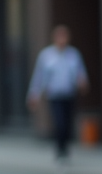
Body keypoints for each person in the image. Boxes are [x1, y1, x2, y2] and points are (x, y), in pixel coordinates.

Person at [28, 25, 89, 164]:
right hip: (55, 95)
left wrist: (83, 82)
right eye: (59, 36)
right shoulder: (47, 55)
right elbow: (39, 76)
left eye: (64, 36)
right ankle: (59, 151)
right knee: (59, 123)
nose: (62, 40)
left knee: (67, 124)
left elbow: (80, 72)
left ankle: (65, 149)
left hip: (69, 94)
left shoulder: (73, 54)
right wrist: (34, 94)